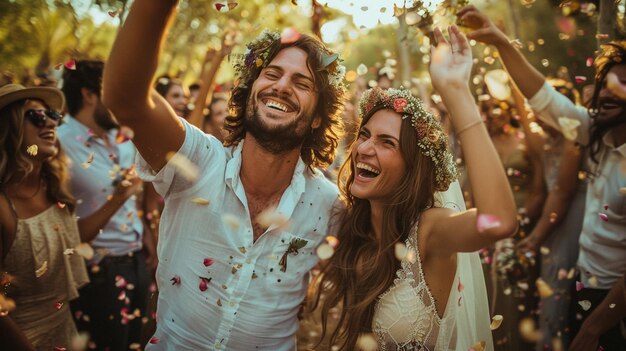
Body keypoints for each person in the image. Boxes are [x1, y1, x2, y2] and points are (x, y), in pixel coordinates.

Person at [102, 0, 346, 349]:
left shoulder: (330, 205)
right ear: (249, 94)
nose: (282, 86)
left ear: (319, 116)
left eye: (302, 83)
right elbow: (126, 99)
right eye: (273, 74)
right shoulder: (198, 161)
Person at [309, 26, 518, 350]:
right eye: (364, 135)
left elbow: (500, 222)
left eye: (386, 142)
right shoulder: (353, 229)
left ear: (412, 169)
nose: (364, 148)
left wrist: (456, 92)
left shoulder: (430, 231)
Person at [458, 5, 626, 350]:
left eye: (622, 83)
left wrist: (594, 329)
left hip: (615, 304)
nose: (608, 91)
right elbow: (547, 99)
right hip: (584, 284)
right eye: (606, 81)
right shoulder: (594, 131)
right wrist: (501, 42)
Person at [58, 60, 155, 351]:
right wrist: (119, 197)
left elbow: (137, 194)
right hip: (97, 273)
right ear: (89, 94)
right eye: (115, 92)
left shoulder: (120, 137)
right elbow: (62, 231)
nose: (123, 102)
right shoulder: (60, 144)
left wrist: (146, 232)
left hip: (137, 260)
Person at [0, 84, 89, 350]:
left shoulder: (53, 188)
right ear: (10, 128)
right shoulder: (3, 206)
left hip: (63, 331)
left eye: (53, 115)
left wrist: (119, 198)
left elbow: (70, 243)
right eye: (37, 116)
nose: (50, 122)